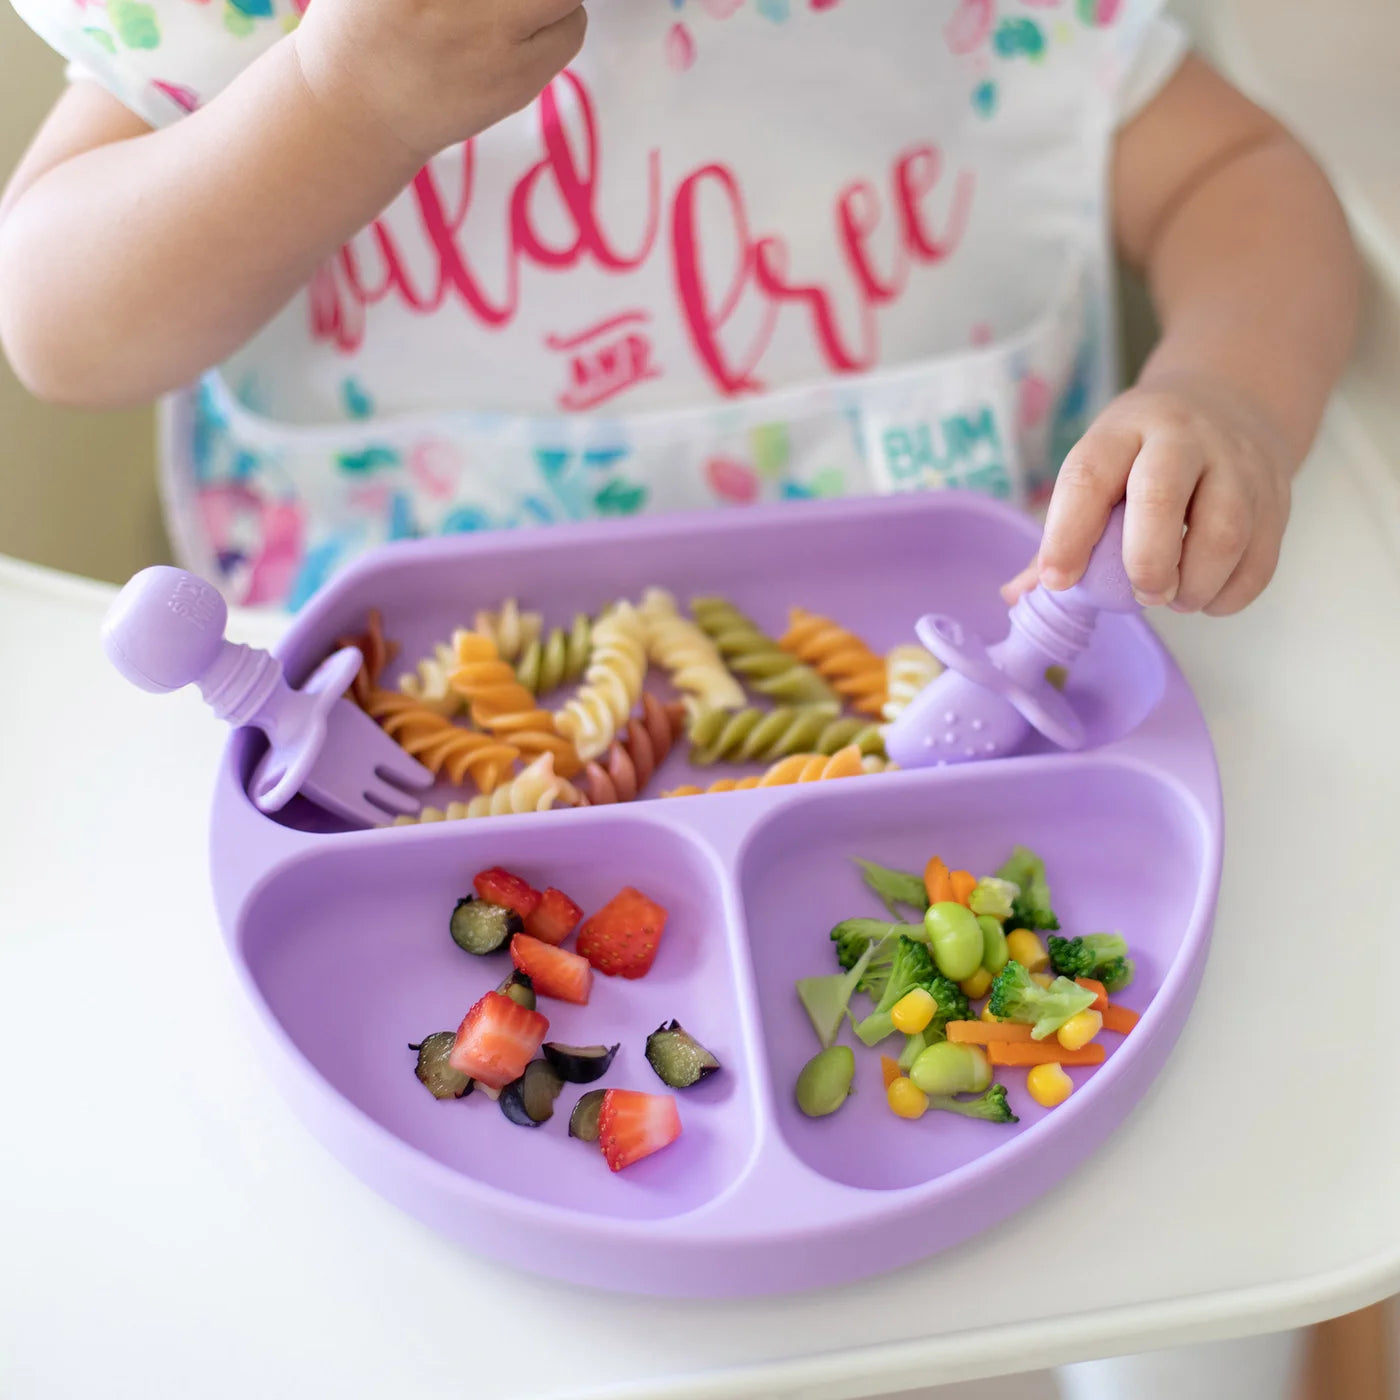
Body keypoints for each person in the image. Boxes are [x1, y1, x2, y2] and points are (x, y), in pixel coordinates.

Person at [0, 0, 1358, 614]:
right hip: (400, 743)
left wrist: (1225, 387)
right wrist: (332, 109)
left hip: (962, 695)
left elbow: (1237, 180)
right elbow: (62, 321)